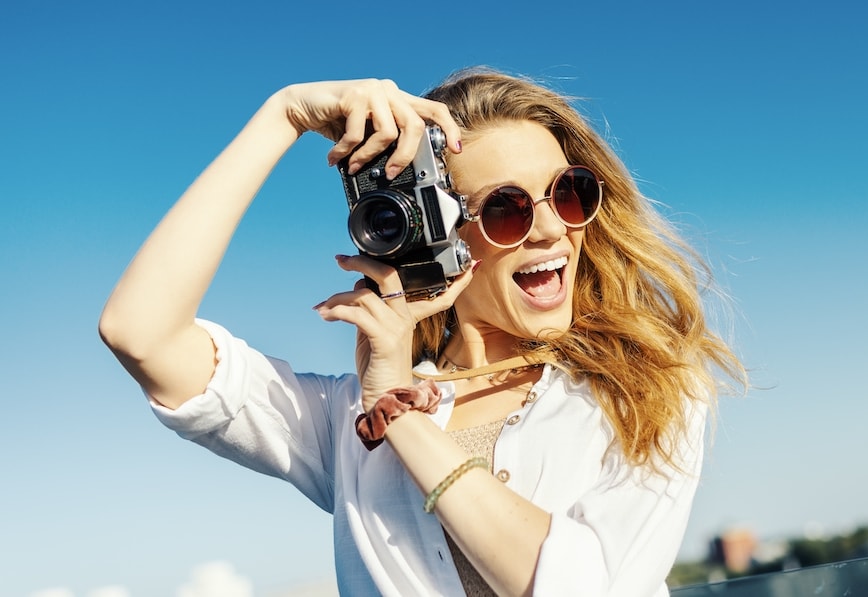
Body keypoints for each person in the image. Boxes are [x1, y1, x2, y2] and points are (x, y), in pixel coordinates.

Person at [99, 68, 745, 596]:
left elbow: (577, 585)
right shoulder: (344, 425)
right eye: (506, 207)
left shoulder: (647, 387)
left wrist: (396, 410)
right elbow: (140, 332)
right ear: (442, 240)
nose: (552, 230)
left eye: (568, 192)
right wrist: (284, 115)